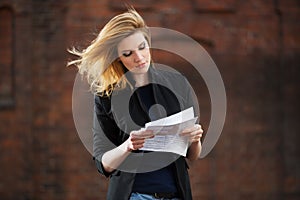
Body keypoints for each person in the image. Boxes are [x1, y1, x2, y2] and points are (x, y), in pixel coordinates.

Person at [68, 8, 204, 200]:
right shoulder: (107, 96)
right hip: (135, 196)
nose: (139, 57)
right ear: (118, 58)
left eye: (142, 47)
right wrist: (128, 146)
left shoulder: (178, 84)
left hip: (177, 194)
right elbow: (103, 163)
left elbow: (192, 155)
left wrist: (196, 138)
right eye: (128, 53)